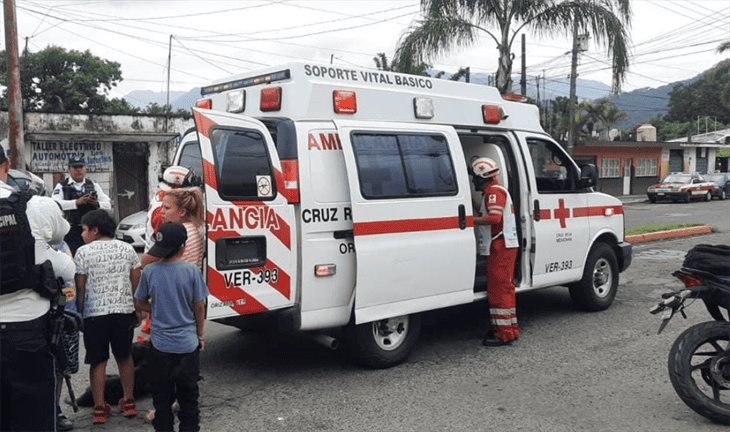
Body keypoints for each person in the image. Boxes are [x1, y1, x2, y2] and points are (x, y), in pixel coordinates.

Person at [0, 149, 74, 432]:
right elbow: (62, 232)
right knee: (36, 420)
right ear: (6, 166)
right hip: (29, 332)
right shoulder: (37, 206)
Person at [134, 222, 208, 432]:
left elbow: (139, 303)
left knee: (162, 400)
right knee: (189, 400)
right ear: (183, 246)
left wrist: (156, 308)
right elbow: (199, 306)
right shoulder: (192, 271)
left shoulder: (150, 271)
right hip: (187, 345)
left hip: (160, 347)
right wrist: (200, 335)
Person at [74, 209, 141, 425]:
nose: (82, 234)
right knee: (124, 356)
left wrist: (81, 312)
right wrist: (136, 308)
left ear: (95, 230)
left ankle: (100, 407)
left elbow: (81, 287)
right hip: (123, 311)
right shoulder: (127, 249)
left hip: (95, 314)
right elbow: (135, 279)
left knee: (98, 360)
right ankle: (129, 401)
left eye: (84, 230)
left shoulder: (83, 253)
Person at [471, 157, 520, 347]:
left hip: (501, 246)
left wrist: (470, 221)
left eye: (475, 177)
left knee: (499, 289)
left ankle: (504, 334)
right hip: (502, 245)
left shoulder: (494, 193)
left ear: (482, 176)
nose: (474, 181)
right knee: (505, 288)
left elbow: (493, 218)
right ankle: (510, 329)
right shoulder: (492, 193)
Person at [52, 156, 112, 254]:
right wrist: (76, 202)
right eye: (75, 167)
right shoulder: (62, 186)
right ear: (69, 170)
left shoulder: (93, 185)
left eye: (81, 167)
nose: (78, 170)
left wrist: (96, 203)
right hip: (71, 230)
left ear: (85, 169)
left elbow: (108, 204)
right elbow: (54, 203)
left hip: (92, 230)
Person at [145, 165, 191, 253]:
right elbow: (165, 244)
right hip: (159, 261)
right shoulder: (162, 211)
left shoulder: (161, 198)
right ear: (175, 188)